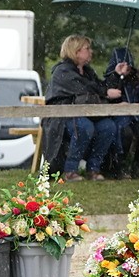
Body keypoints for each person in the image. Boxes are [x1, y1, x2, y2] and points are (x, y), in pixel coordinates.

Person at [41, 35, 120, 181]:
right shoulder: (63, 71)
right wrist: (105, 93)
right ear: (76, 51)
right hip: (61, 117)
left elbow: (98, 87)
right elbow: (85, 91)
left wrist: (116, 74)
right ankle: (70, 170)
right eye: (87, 49)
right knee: (83, 126)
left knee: (108, 127)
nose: (91, 52)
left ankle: (94, 168)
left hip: (86, 114)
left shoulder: (87, 71)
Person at [103, 47, 139, 177]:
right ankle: (118, 165)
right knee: (124, 133)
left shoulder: (137, 82)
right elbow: (104, 99)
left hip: (137, 118)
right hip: (117, 119)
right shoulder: (110, 81)